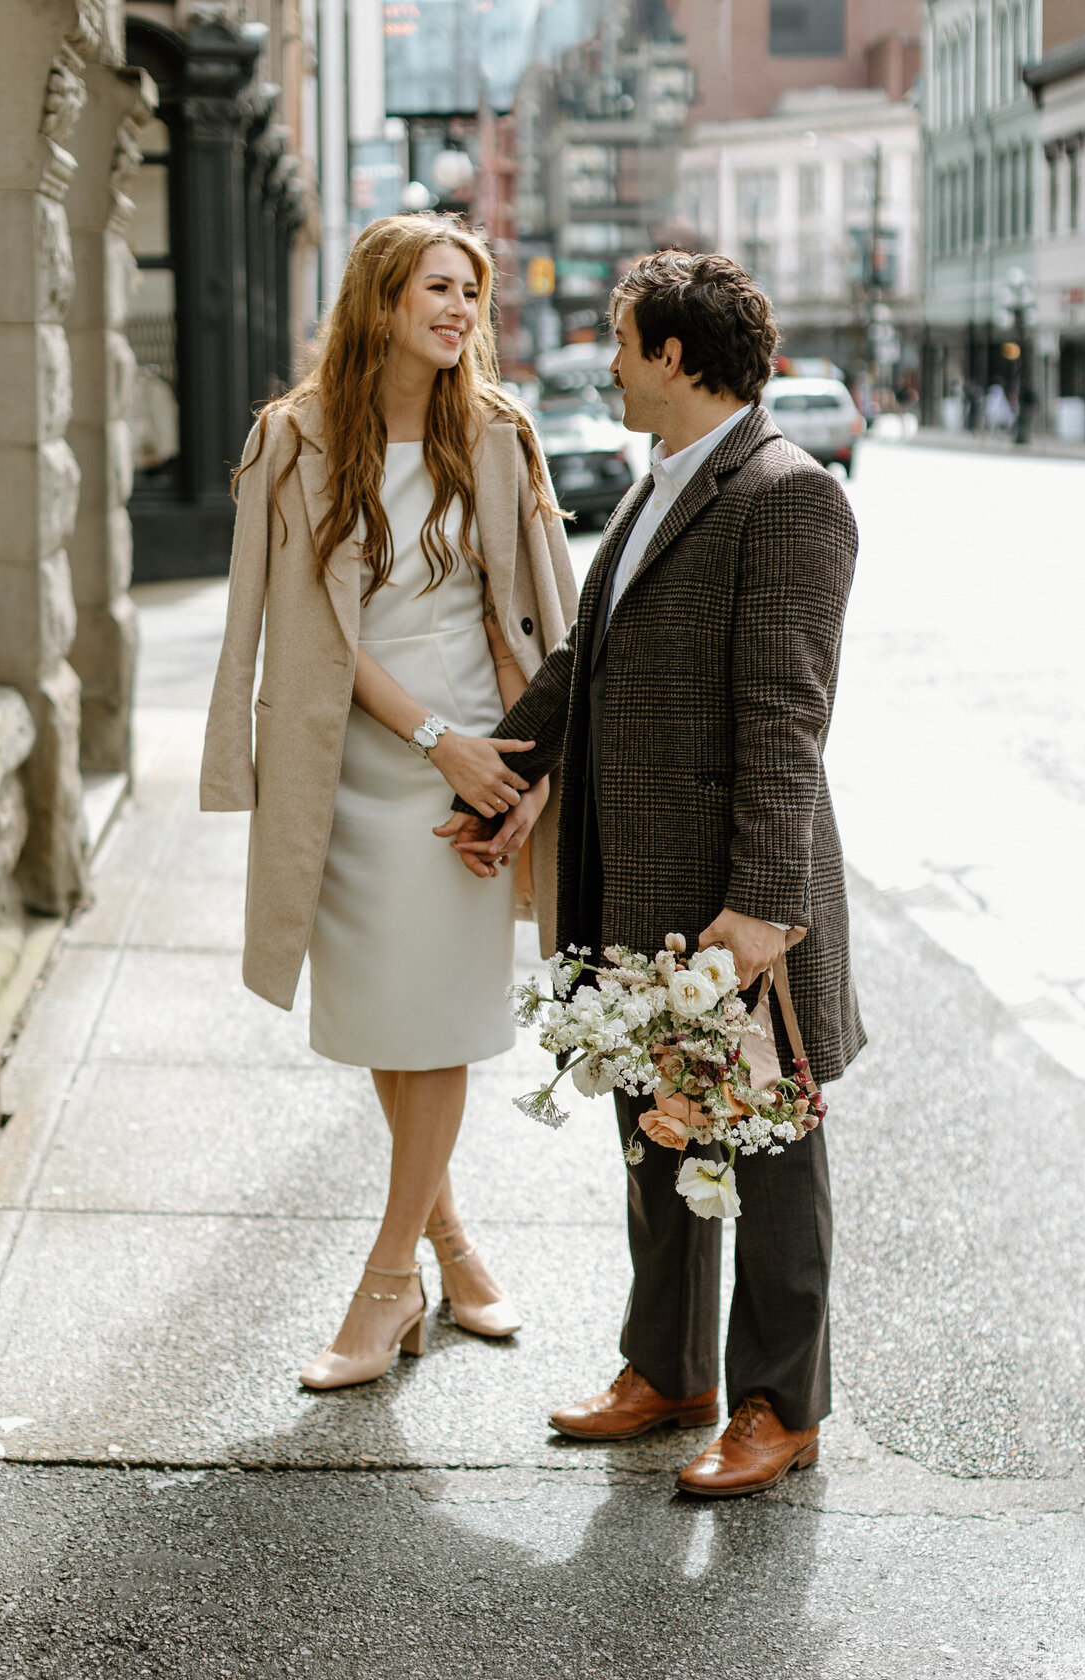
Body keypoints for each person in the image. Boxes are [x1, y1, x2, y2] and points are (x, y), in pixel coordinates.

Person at [445, 251, 864, 1498]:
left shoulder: (788, 494)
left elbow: (788, 719)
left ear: (675, 356)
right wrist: (505, 778)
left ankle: (778, 1404)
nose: (609, 361)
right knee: (654, 1137)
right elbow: (587, 659)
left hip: (740, 899)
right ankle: (667, 1369)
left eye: (622, 341)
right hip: (635, 883)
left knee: (765, 1145)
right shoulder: (654, 487)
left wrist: (762, 912)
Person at [200, 213, 577, 1391]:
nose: (462, 310)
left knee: (439, 1024)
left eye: (473, 291)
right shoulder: (295, 437)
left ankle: (386, 1286)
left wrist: (528, 774)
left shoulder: (504, 435)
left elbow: (550, 627)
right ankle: (451, 1242)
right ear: (378, 301)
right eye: (437, 287)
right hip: (358, 766)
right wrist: (434, 740)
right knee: (385, 1019)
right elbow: (314, 632)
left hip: (482, 770)